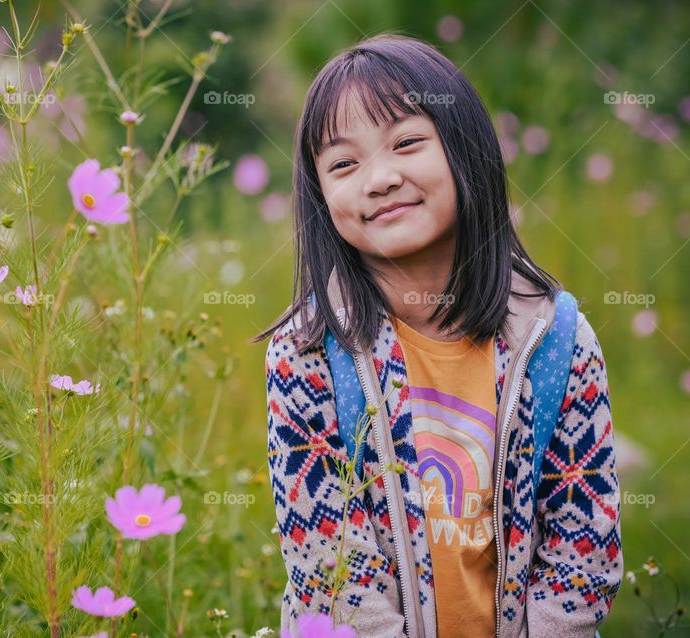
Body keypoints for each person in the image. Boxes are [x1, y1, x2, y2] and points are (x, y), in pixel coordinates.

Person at [253, 34, 622, 638]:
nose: (379, 179)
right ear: (320, 196)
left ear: (466, 149)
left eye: (405, 143)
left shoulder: (556, 340)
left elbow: (581, 561)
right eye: (343, 163)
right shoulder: (307, 355)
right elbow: (329, 572)